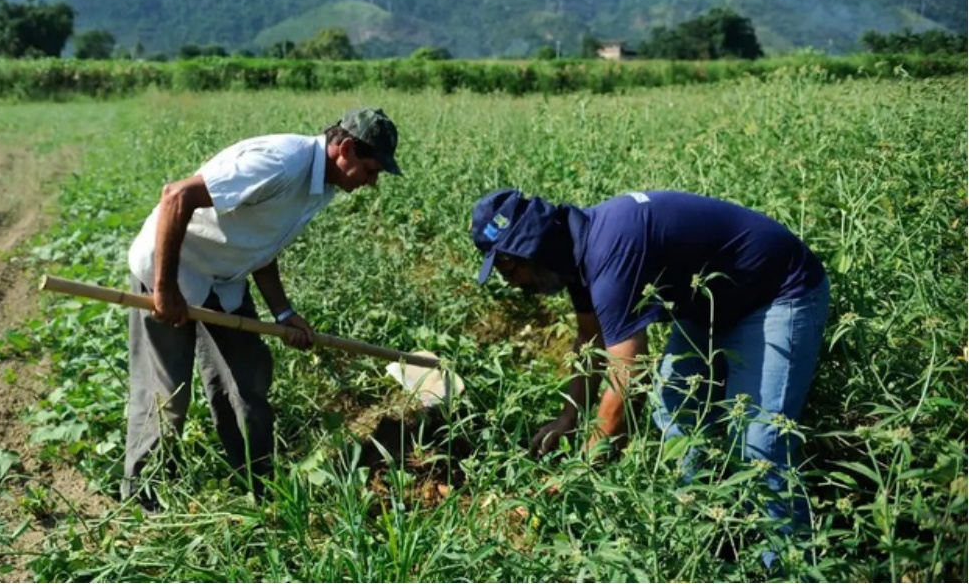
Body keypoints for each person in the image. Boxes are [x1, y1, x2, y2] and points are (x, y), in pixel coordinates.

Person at [470, 188, 830, 533]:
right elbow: (589, 339)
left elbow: (629, 376)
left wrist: (583, 471)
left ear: (528, 250)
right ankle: (703, 526)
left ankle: (785, 564)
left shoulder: (610, 250)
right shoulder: (574, 253)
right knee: (675, 408)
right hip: (708, 304)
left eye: (507, 269)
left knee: (760, 446)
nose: (511, 282)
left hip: (778, 293)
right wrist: (570, 415)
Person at [124, 107, 401, 504]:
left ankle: (258, 485)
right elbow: (176, 195)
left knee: (248, 379)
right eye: (372, 170)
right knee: (167, 395)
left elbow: (262, 245)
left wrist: (284, 313)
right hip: (170, 270)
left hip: (224, 280)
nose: (372, 182)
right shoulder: (281, 163)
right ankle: (143, 497)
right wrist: (165, 289)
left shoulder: (320, 187)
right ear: (347, 149)